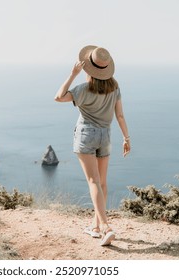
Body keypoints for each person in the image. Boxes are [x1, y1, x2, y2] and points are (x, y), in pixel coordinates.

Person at [54, 45, 130, 246]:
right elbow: (120, 115)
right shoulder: (115, 88)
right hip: (105, 136)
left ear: (89, 68)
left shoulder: (84, 89)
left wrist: (72, 74)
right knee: (102, 182)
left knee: (93, 181)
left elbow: (59, 97)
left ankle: (105, 227)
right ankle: (96, 227)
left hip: (87, 135)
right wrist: (126, 138)